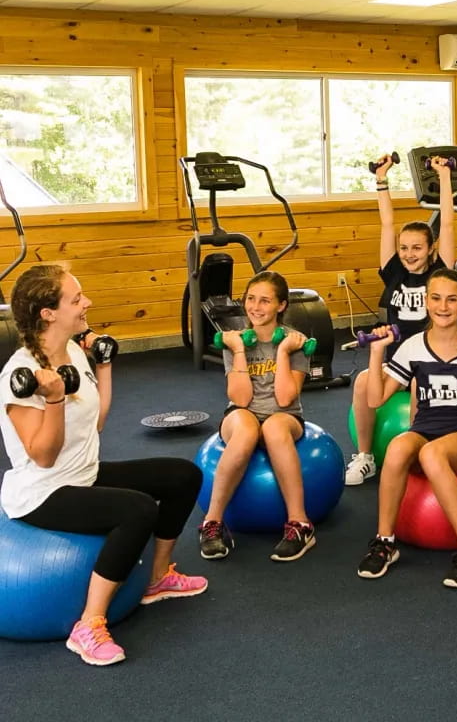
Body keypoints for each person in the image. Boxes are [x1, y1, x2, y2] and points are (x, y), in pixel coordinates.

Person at [0, 265, 207, 666]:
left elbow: (95, 423)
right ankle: (89, 624)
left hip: (83, 472)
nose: (87, 303)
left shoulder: (73, 351)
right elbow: (43, 455)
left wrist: (105, 366)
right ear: (48, 313)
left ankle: (158, 577)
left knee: (184, 476)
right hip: (43, 492)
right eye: (76, 299)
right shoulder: (17, 376)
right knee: (138, 510)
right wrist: (55, 399)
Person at [355, 268, 457, 588]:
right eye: (436, 298)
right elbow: (375, 398)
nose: (443, 306)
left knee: (431, 454)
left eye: (452, 299)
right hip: (424, 427)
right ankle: (385, 541)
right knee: (398, 447)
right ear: (426, 302)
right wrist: (376, 352)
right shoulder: (413, 346)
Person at [344, 154, 456, 485]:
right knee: (364, 381)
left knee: (421, 388)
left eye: (417, 248)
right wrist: (381, 179)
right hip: (396, 363)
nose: (409, 254)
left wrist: (445, 176)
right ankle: (365, 457)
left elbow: (448, 223)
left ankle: (420, 457)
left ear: (431, 250)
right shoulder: (393, 272)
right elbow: (387, 223)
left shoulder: (441, 274)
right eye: (404, 248)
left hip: (431, 362)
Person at [198, 270, 316, 562]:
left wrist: (284, 353)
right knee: (248, 430)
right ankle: (212, 524)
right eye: (251, 299)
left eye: (265, 301)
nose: (256, 307)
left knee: (274, 428)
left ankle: (300, 525)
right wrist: (238, 351)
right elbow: (240, 399)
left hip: (284, 415)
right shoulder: (235, 340)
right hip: (242, 412)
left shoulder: (296, 342)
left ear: (281, 306)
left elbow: (286, 398)